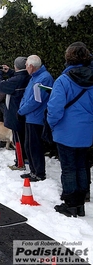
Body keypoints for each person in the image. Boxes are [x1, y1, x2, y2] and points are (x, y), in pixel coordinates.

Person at [47, 42, 93, 217]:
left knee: (68, 168)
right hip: (86, 132)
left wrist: (52, 124)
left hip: (65, 131)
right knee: (82, 167)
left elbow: (55, 109)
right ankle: (80, 204)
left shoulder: (63, 80)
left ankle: (70, 204)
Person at [18, 55, 54, 182]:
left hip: (37, 118)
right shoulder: (34, 78)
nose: (26, 68)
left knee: (35, 146)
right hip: (30, 117)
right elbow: (26, 96)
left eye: (26, 65)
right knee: (28, 145)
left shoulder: (44, 78)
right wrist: (22, 108)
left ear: (31, 66)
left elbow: (36, 101)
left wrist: (22, 110)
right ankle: (33, 171)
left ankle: (39, 173)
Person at [0, 57, 31, 170]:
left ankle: (20, 162)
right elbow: (18, 77)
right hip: (27, 113)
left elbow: (0, 85)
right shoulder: (29, 76)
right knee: (26, 137)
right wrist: (10, 72)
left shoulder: (17, 80)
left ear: (16, 66)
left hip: (16, 112)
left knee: (18, 139)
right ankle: (26, 158)